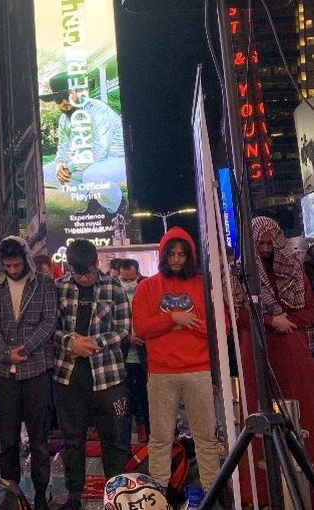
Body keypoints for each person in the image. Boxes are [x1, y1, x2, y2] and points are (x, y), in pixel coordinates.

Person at [132, 227, 219, 493]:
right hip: (161, 372)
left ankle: (212, 491)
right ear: (163, 256)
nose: (178, 260)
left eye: (182, 254)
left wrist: (183, 323)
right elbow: (141, 328)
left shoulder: (203, 285)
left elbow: (219, 328)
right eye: (172, 254)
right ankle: (157, 494)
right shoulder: (147, 287)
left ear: (190, 255)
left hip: (199, 370)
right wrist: (173, 319)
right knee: (160, 438)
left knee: (206, 438)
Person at [236, 217, 314, 503]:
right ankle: (263, 495)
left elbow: (309, 312)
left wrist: (284, 321)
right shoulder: (241, 273)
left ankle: (304, 491)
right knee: (258, 418)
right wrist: (270, 321)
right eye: (261, 244)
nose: (267, 249)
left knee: (303, 416)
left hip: (293, 352)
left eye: (271, 243)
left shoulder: (295, 270)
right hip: (258, 351)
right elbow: (239, 315)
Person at [52, 240, 130, 510]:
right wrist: (70, 342)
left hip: (108, 375)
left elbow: (122, 328)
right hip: (69, 375)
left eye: (89, 272)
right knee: (73, 439)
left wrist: (93, 343)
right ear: (70, 267)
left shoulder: (113, 287)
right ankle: (74, 496)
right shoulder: (59, 287)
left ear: (97, 263)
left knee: (114, 440)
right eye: (79, 273)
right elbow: (51, 326)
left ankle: (116, 494)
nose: (85, 278)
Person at [0, 236, 57, 510]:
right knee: (7, 440)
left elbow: (49, 321)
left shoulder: (44, 284)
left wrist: (25, 349)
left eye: (17, 265)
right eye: (8, 265)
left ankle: (41, 497)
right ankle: (10, 496)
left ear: (26, 261)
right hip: (4, 373)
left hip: (36, 368)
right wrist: (5, 353)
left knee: (39, 439)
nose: (13, 270)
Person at [40, 71, 126, 215]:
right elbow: (63, 148)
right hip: (91, 162)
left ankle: (116, 206)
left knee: (92, 175)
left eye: (66, 96)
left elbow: (100, 151)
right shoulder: (64, 120)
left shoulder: (97, 109)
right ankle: (94, 199)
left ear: (75, 92)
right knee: (48, 172)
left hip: (117, 159)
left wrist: (70, 167)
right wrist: (61, 164)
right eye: (58, 99)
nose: (64, 103)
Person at [117, 259, 150, 446]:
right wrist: (127, 336)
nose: (128, 283)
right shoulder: (114, 292)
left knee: (146, 400)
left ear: (138, 275)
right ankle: (125, 444)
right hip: (123, 358)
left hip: (144, 357)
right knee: (125, 402)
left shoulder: (146, 289)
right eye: (124, 279)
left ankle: (148, 438)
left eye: (131, 279)